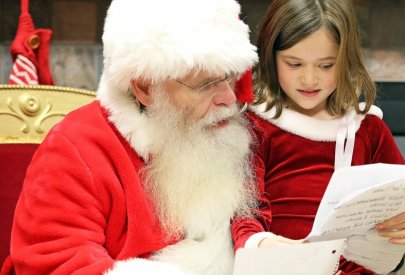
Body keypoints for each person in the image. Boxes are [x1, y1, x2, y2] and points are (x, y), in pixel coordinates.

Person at [1, 0, 259, 274]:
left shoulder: (222, 134)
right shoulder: (74, 149)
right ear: (145, 89)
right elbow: (58, 261)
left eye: (230, 78)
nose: (229, 99)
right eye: (205, 85)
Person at [231, 0, 405, 274]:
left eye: (326, 66)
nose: (309, 79)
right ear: (272, 58)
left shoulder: (369, 130)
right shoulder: (257, 127)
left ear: (346, 61)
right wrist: (263, 245)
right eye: (294, 64)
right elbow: (244, 211)